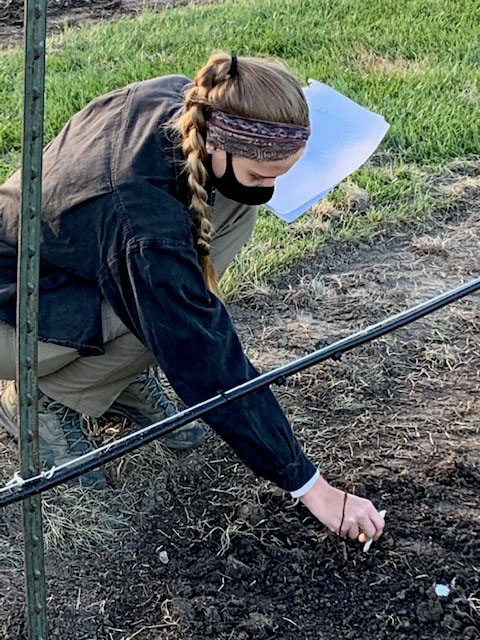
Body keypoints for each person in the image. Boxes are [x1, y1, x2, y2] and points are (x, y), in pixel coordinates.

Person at [0, 52, 385, 543]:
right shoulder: (143, 226)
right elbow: (201, 350)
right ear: (216, 144)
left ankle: (109, 381)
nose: (274, 186)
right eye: (262, 172)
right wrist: (311, 486)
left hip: (75, 256)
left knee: (230, 214)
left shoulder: (186, 101)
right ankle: (45, 397)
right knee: (176, 317)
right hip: (14, 307)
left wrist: (252, 181)